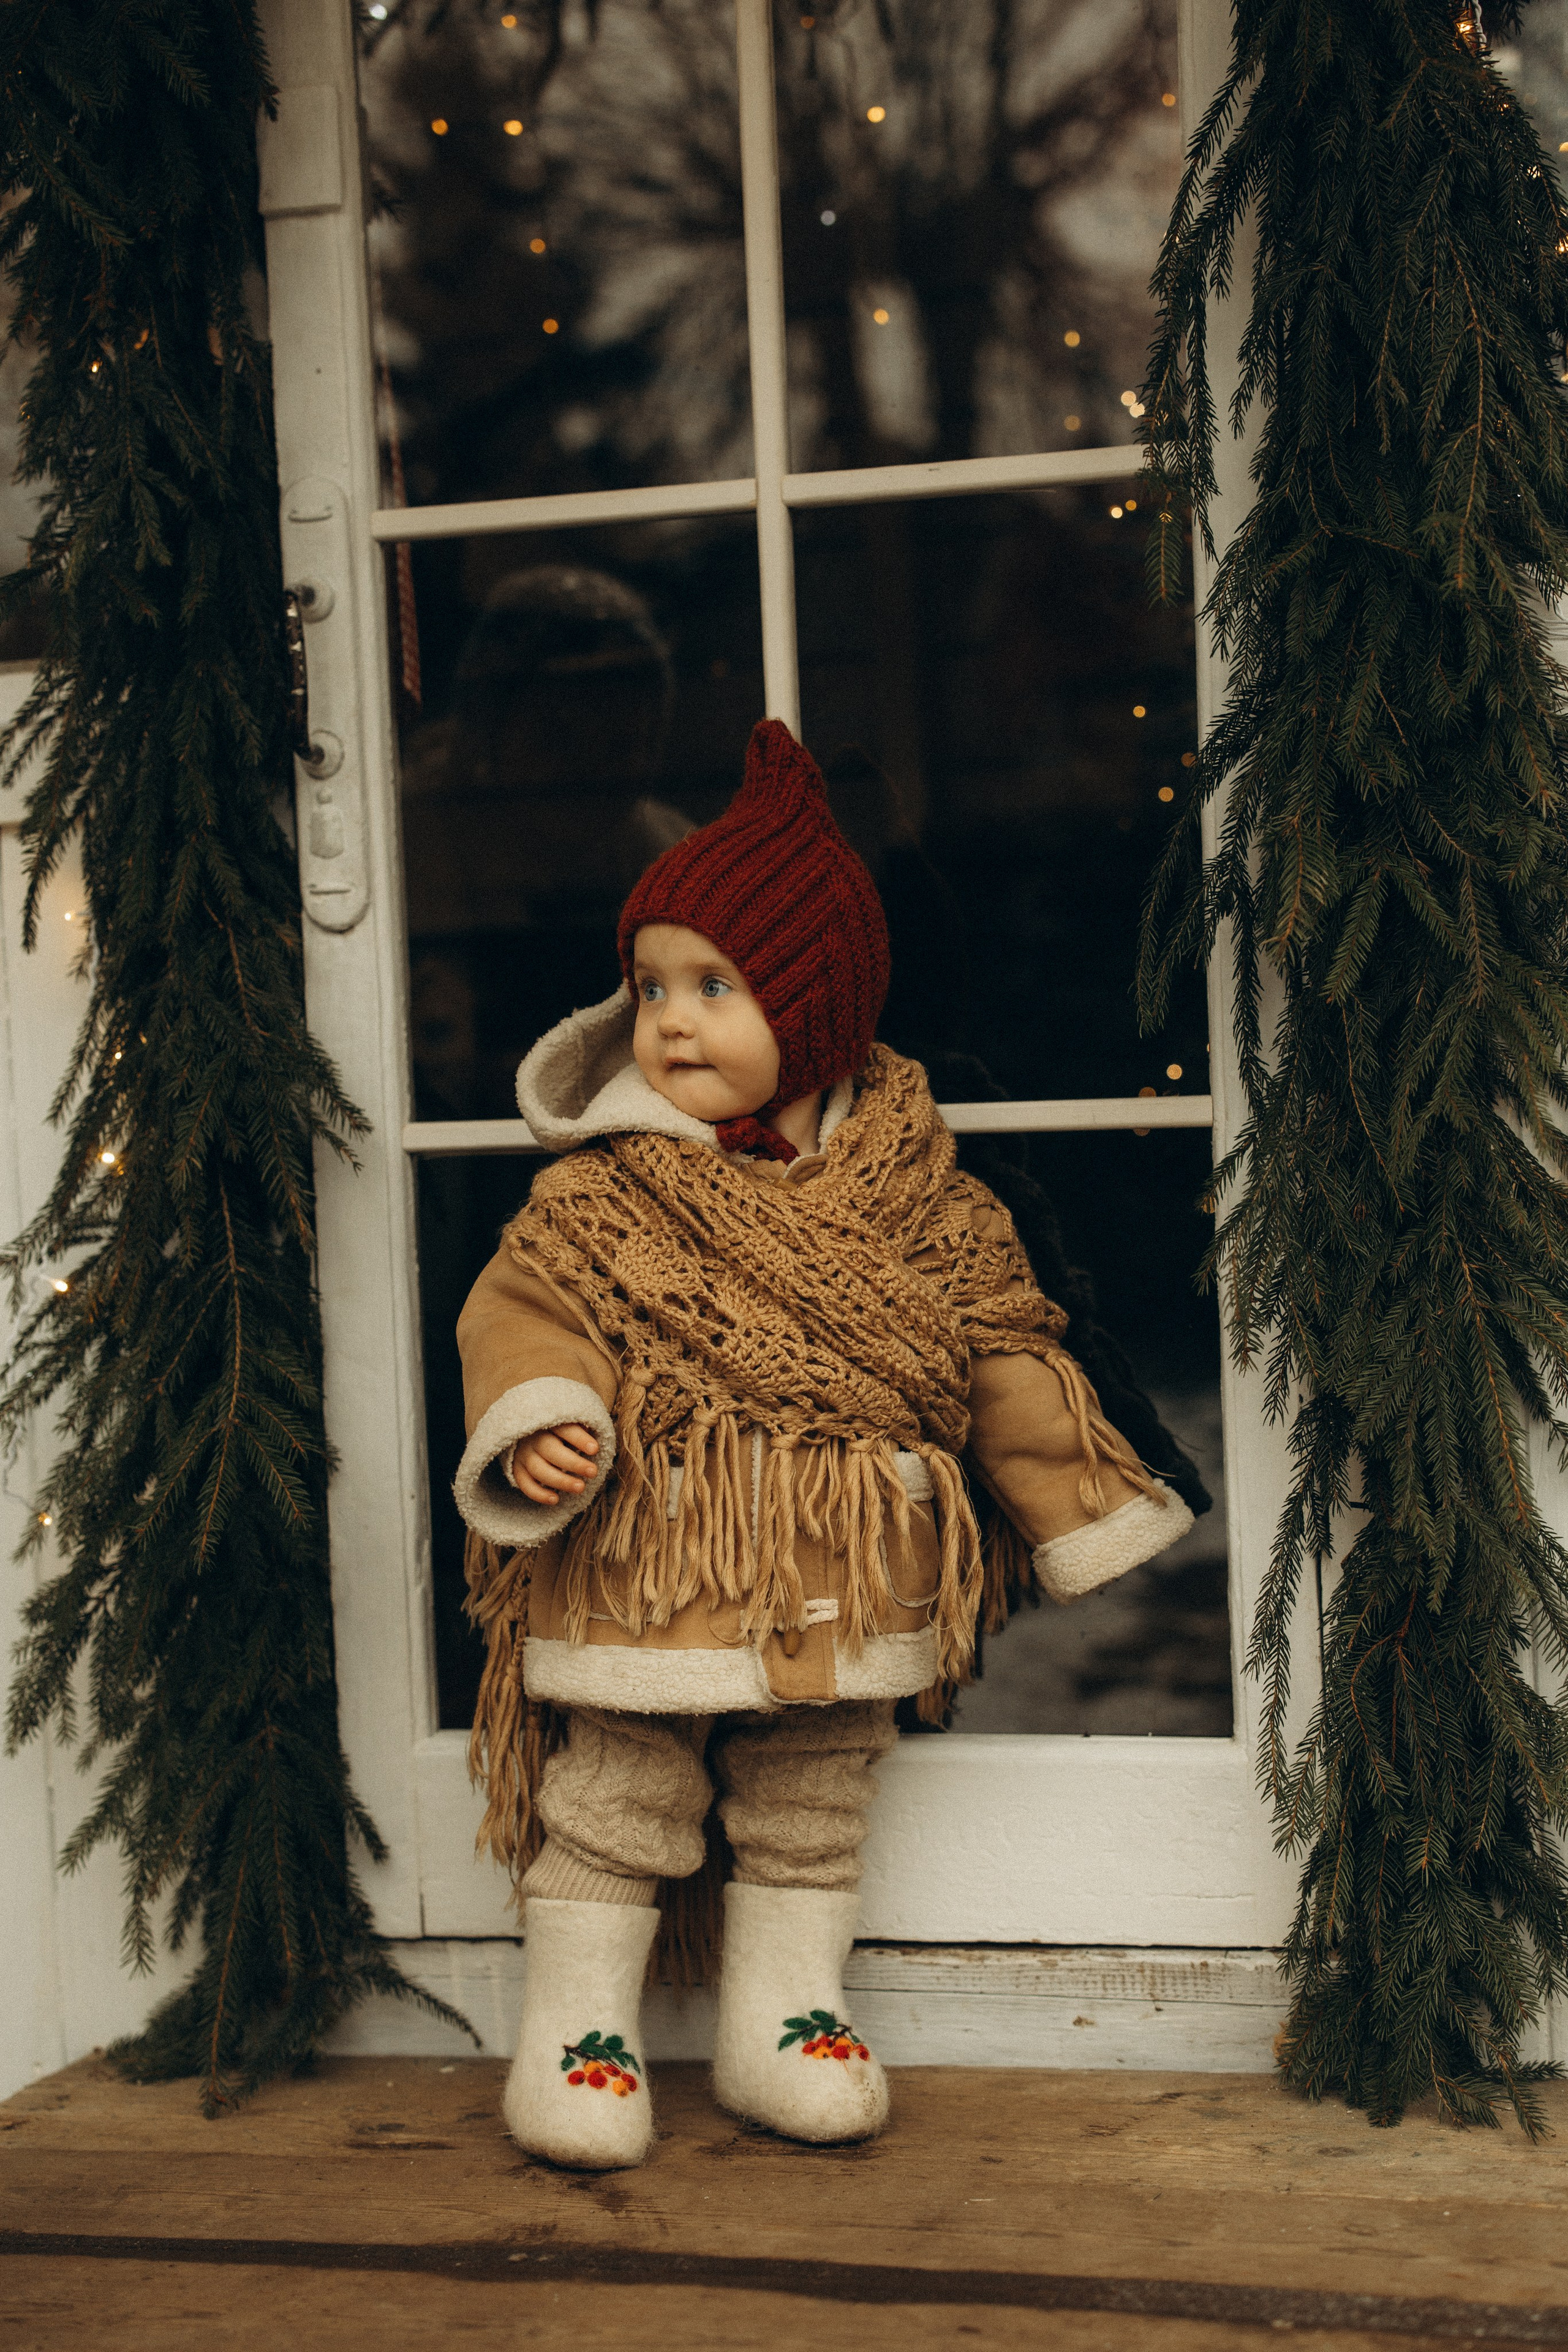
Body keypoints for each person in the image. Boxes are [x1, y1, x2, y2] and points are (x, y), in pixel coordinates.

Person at [454, 718, 1194, 2170]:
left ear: (816, 1008)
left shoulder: (919, 1190)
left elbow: (995, 1347)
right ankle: (577, 2036)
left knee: (813, 1792)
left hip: (840, 1565)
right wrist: (547, 1419)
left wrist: (1076, 1509)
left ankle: (782, 2022)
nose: (668, 1020)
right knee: (618, 1793)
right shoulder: (601, 1196)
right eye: (651, 985)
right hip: (655, 1552)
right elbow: (526, 1315)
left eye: (713, 987)